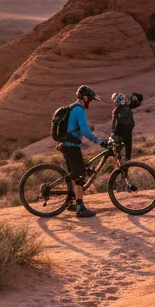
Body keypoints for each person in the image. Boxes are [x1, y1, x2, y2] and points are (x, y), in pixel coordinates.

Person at [61, 84, 106, 218]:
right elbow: (84, 130)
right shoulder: (79, 110)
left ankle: (72, 202)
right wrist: (98, 141)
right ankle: (80, 208)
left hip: (66, 145)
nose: (90, 102)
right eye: (90, 100)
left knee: (74, 175)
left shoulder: (72, 108)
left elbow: (77, 128)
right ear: (85, 98)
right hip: (72, 147)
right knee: (79, 177)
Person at [111, 91, 143, 161]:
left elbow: (113, 123)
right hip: (126, 133)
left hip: (121, 133)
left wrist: (113, 133)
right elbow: (132, 123)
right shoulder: (124, 108)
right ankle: (123, 166)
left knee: (119, 153)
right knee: (126, 153)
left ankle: (122, 165)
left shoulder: (118, 110)